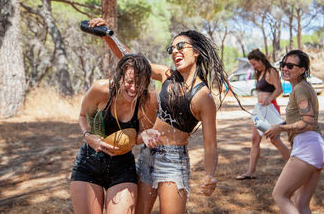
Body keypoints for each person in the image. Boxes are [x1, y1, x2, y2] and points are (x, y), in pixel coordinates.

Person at [88, 18, 243, 214]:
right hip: (147, 156)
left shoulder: (204, 97)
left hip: (173, 162)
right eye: (172, 49)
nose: (175, 52)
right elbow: (132, 59)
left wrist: (210, 174)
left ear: (196, 51)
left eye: (180, 46)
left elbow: (210, 144)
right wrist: (107, 36)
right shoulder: (167, 75)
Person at [70, 54, 158, 214]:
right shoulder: (101, 90)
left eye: (140, 84)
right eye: (130, 82)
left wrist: (144, 136)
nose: (134, 89)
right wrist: (89, 138)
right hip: (88, 164)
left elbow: (138, 136)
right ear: (119, 77)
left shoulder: (148, 100)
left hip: (122, 168)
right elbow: (83, 116)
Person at [265, 50, 324, 213]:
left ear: (302, 70)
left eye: (290, 66)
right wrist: (280, 126)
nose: (285, 68)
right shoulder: (303, 88)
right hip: (316, 148)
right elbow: (303, 119)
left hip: (308, 147)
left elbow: (307, 122)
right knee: (301, 202)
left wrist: (281, 128)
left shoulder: (300, 89)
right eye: (283, 65)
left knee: (280, 195)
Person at [236, 49, 290, 180]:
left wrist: (270, 98)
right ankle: (251, 171)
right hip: (259, 109)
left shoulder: (271, 71)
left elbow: (279, 89)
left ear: (261, 60)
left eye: (254, 63)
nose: (253, 66)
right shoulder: (259, 73)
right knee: (255, 139)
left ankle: (297, 165)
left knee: (275, 140)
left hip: (269, 108)